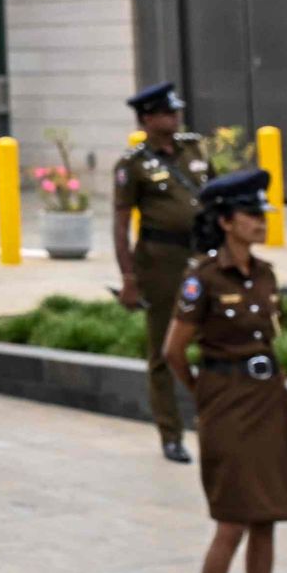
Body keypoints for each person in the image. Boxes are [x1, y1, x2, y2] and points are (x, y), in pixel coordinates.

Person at [161, 169, 287, 573]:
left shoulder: (264, 274)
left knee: (269, 516)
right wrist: (206, 396)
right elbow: (173, 352)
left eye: (262, 213)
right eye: (251, 214)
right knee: (232, 523)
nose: (261, 222)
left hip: (267, 398)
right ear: (225, 222)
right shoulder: (203, 278)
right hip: (226, 398)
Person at [111, 82, 205, 466]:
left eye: (176, 111)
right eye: (167, 112)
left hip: (201, 254)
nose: (175, 117)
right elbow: (120, 224)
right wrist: (129, 278)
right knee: (164, 348)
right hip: (161, 258)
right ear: (148, 118)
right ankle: (171, 433)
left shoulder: (194, 151)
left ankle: (214, 418)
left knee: (212, 337)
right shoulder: (132, 165)